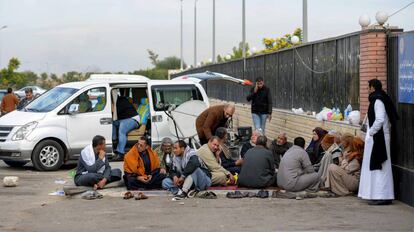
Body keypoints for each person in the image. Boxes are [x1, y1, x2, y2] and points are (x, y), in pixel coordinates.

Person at [359, 79, 399, 205]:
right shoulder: (378, 98)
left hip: (378, 138)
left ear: (372, 88)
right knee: (376, 165)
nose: (367, 90)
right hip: (377, 137)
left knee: (380, 165)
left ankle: (383, 195)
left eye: (368, 87)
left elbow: (380, 119)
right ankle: (377, 194)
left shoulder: (378, 100)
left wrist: (371, 132)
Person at [112, 93, 141, 159]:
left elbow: (115, 112)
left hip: (132, 118)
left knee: (122, 131)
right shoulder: (116, 101)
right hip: (123, 119)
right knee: (112, 123)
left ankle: (120, 153)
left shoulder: (121, 101)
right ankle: (114, 141)